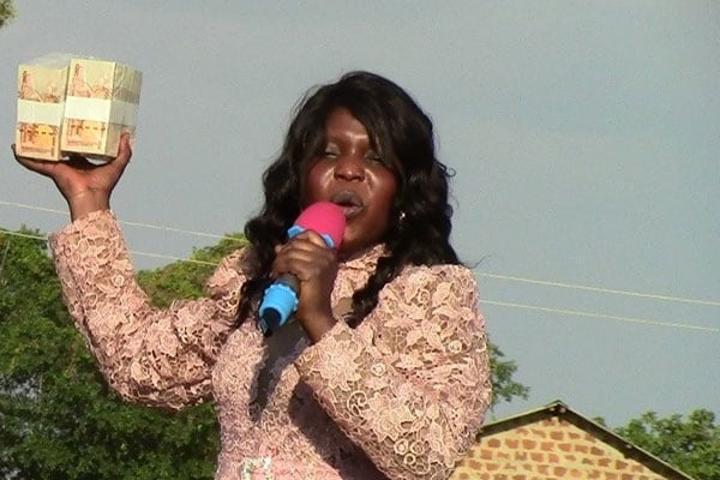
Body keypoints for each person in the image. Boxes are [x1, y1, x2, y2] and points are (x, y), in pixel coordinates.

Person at [12, 71, 492, 480]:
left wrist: (321, 322)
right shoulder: (256, 278)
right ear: (300, 177)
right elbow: (140, 367)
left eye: (376, 159)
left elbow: (428, 454)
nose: (348, 171)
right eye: (329, 154)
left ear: (405, 191)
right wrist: (88, 200)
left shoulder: (428, 294)